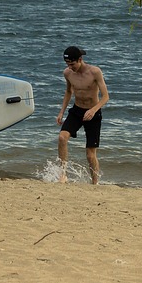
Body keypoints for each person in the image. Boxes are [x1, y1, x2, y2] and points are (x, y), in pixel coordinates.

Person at [56, 45, 109, 184]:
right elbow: (69, 92)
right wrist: (61, 112)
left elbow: (105, 97)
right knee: (62, 138)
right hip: (77, 111)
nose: (70, 67)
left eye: (72, 64)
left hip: (93, 113)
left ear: (80, 60)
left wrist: (93, 110)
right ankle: (63, 174)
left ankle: (95, 182)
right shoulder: (67, 73)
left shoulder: (95, 72)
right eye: (67, 64)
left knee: (90, 155)